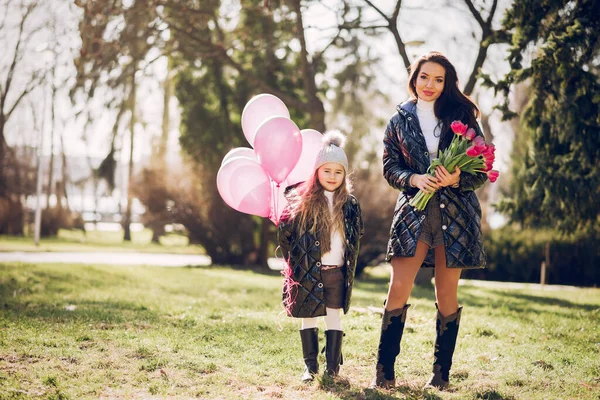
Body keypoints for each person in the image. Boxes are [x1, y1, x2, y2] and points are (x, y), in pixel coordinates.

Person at [370, 51, 487, 390]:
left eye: (439, 79)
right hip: (413, 214)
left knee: (446, 293)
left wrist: (456, 179)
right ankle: (384, 372)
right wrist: (414, 179)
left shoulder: (463, 116)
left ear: (447, 83)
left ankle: (441, 376)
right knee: (399, 288)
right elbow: (389, 168)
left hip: (456, 216)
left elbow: (479, 170)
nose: (430, 85)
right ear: (414, 77)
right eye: (425, 77)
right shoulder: (399, 121)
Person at [278, 130, 363, 382]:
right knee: (308, 316)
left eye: (338, 172)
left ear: (344, 175)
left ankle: (332, 366)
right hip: (307, 270)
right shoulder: (300, 202)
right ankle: (310, 366)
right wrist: (295, 262)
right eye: (327, 171)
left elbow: (356, 235)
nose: (332, 177)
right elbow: (286, 237)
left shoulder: (349, 204)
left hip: (336, 271)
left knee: (333, 315)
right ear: (316, 172)